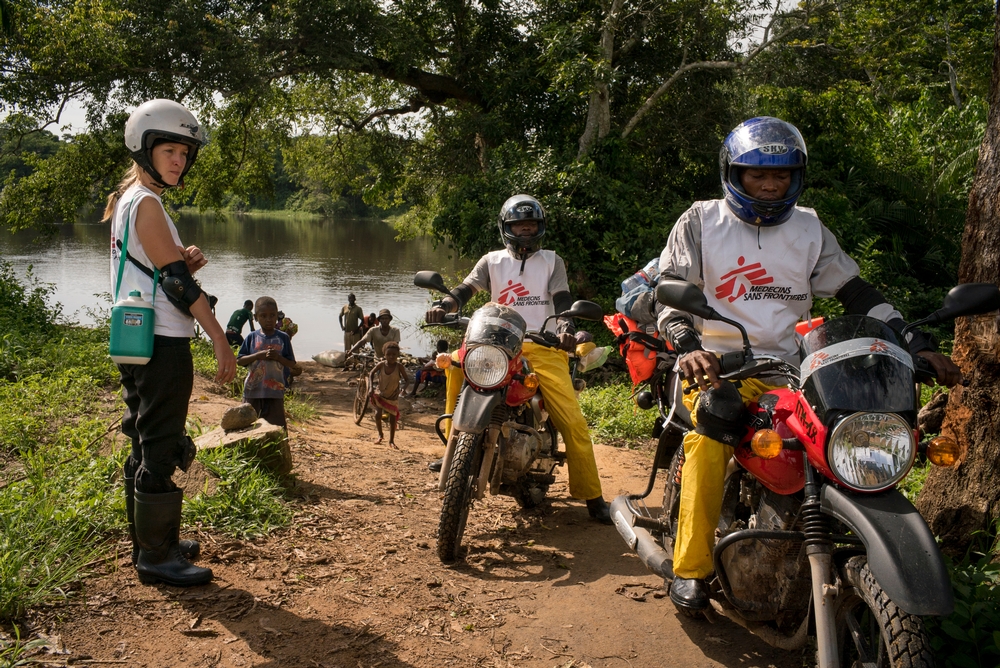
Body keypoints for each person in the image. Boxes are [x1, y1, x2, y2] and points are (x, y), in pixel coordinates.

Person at [655, 116, 962, 613]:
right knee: (709, 446)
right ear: (733, 174)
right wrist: (688, 343)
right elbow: (669, 294)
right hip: (716, 367)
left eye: (781, 174)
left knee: (842, 437)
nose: (770, 184)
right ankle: (690, 569)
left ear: (796, 176)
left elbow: (856, 292)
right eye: (758, 175)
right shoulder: (701, 221)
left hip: (796, 367)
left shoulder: (809, 226)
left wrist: (915, 340)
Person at [107, 99, 237, 587]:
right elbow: (177, 285)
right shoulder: (147, 203)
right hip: (162, 341)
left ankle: (150, 543)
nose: (179, 161)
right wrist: (220, 338)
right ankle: (157, 558)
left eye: (184, 153)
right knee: (160, 446)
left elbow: (159, 267)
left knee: (143, 437)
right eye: (169, 150)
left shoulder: (132, 200)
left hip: (137, 336)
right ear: (145, 149)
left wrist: (182, 262)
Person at [425, 194, 613, 524]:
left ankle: (593, 497)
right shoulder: (491, 261)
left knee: (573, 422)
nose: (525, 232)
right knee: (454, 364)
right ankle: (453, 450)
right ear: (506, 228)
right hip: (497, 342)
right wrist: (444, 306)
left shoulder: (552, 262)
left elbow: (562, 298)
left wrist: (566, 325)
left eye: (531, 226)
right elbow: (465, 291)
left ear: (540, 229)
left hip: (543, 346)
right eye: (519, 226)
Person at [237, 297, 302, 428]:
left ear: (277, 316)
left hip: (275, 391)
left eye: (272, 315)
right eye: (263, 316)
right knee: (249, 427)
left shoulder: (282, 337)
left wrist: (278, 358)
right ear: (255, 317)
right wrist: (258, 355)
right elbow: (240, 361)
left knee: (277, 428)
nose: (268, 319)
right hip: (253, 390)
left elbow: (291, 363)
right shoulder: (252, 337)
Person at [369, 341, 409, 448]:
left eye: (394, 355)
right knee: (378, 415)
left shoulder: (399, 367)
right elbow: (371, 373)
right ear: (384, 354)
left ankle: (391, 441)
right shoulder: (381, 365)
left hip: (393, 397)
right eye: (388, 354)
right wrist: (370, 388)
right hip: (380, 394)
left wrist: (403, 389)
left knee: (392, 419)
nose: (391, 357)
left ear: (398, 355)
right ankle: (380, 434)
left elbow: (407, 380)